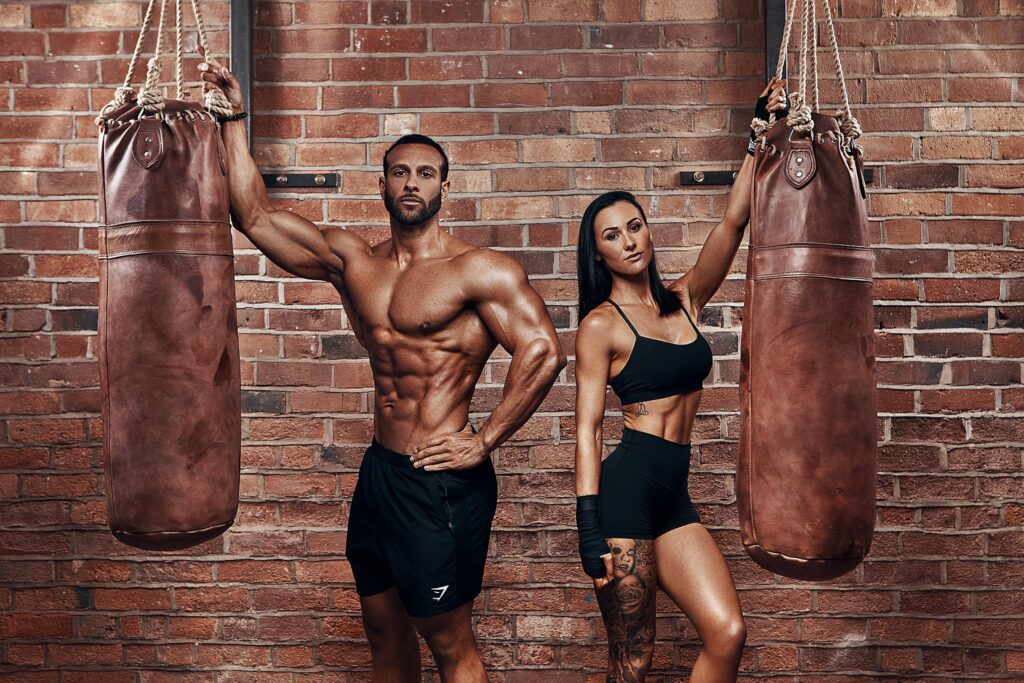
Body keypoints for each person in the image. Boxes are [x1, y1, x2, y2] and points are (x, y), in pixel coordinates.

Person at [199, 55, 567, 682]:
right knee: (382, 629)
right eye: (400, 172)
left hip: (438, 482)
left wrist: (484, 441)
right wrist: (234, 118)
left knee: (449, 643)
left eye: (426, 173)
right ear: (383, 185)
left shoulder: (480, 270)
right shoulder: (353, 262)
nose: (412, 183)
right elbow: (254, 217)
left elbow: (544, 352)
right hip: (381, 473)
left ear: (445, 189)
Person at [573, 79, 788, 682]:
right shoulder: (600, 326)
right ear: (600, 256)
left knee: (726, 632)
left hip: (673, 494)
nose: (628, 240)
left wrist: (758, 136)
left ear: (648, 230)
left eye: (634, 226)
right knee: (632, 659)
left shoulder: (685, 299)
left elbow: (734, 221)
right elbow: (587, 430)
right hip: (623, 495)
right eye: (611, 236)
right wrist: (588, 524)